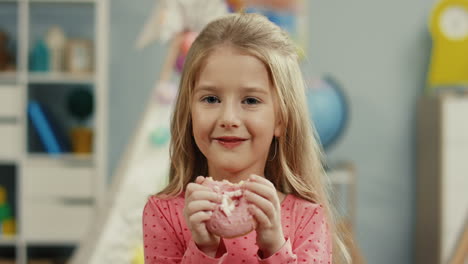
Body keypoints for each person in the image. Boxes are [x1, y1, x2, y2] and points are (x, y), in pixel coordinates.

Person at [143, 12, 350, 263]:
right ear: (189, 112)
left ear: (281, 119)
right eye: (211, 99)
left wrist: (275, 247)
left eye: (251, 100)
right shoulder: (164, 213)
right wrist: (204, 250)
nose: (228, 118)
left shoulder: (307, 217)